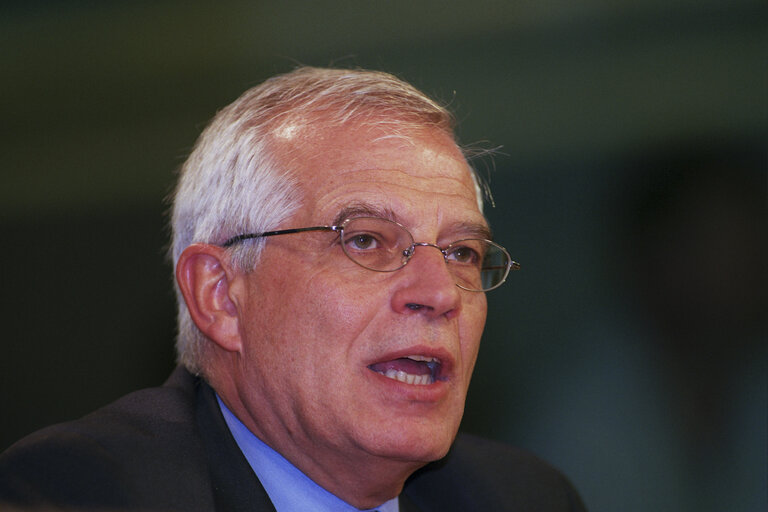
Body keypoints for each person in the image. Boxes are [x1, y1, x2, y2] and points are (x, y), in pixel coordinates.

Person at [0, 67, 586, 511]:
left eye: (461, 253)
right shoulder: (82, 493)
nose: (440, 293)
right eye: (364, 241)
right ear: (221, 296)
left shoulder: (520, 497)